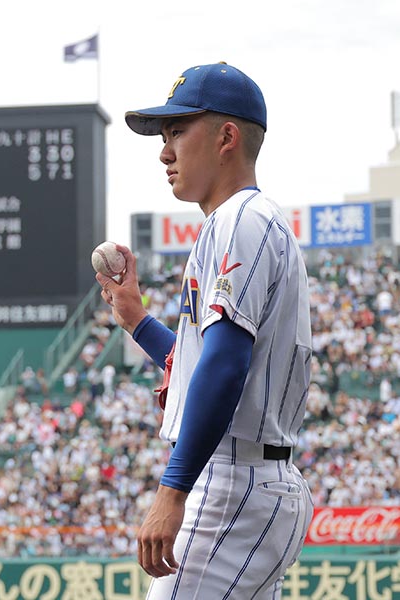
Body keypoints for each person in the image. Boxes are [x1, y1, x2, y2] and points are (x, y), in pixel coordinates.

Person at [96, 62, 314, 598]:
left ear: (226, 137)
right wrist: (138, 321)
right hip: (251, 480)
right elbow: (205, 362)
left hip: (234, 484)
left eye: (177, 132)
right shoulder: (238, 222)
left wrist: (173, 490)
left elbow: (226, 364)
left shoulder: (242, 219)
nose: (164, 151)